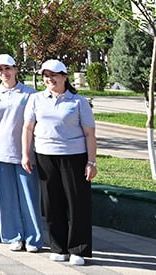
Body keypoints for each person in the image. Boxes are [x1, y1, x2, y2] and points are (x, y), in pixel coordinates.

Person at [23, 59, 96, 265]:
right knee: (51, 203)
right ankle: (58, 247)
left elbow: (90, 133)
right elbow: (28, 128)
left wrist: (91, 162)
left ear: (65, 76)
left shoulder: (78, 102)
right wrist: (26, 154)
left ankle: (78, 249)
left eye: (54, 75)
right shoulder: (36, 99)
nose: (50, 79)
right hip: (45, 155)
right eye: (46, 76)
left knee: (77, 203)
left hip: (74, 156)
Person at [0, 53, 44, 253]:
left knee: (29, 197)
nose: (4, 73)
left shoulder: (30, 94)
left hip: (24, 152)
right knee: (6, 197)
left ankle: (33, 238)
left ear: (16, 69)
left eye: (7, 68)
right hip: (0, 151)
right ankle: (13, 236)